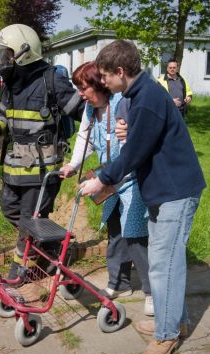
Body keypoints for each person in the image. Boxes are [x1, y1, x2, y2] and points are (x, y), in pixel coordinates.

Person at [81, 39, 205, 354]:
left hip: (176, 192)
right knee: (163, 262)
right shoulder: (140, 96)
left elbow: (134, 153)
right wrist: (129, 130)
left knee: (165, 265)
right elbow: (143, 140)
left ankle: (167, 335)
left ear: (120, 71)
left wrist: (102, 179)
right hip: (163, 191)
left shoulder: (147, 98)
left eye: (106, 75)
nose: (103, 82)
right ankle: (173, 320)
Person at [0, 24, 85, 278]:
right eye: (3, 54)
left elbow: (83, 113)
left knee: (30, 218)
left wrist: (112, 116)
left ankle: (19, 267)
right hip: (15, 165)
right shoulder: (11, 83)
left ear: (24, 52)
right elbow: (2, 122)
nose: (4, 60)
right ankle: (53, 247)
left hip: (42, 166)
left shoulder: (51, 78)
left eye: (7, 53)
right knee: (10, 211)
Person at [60, 62, 153, 316]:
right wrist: (72, 164)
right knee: (114, 231)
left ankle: (151, 291)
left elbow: (135, 143)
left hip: (131, 177)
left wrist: (105, 178)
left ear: (98, 85)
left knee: (134, 235)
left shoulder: (123, 103)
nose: (80, 93)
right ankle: (119, 283)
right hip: (110, 177)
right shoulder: (90, 109)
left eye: (83, 87)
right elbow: (84, 138)